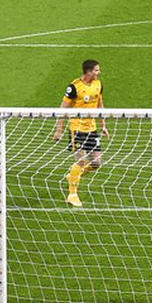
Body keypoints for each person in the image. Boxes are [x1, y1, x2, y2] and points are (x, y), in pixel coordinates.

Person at [52, 60, 108, 208]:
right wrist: (59, 129)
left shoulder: (98, 84)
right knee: (81, 161)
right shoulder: (74, 87)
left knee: (96, 163)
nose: (99, 72)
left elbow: (100, 105)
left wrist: (103, 125)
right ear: (88, 72)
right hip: (76, 129)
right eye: (96, 70)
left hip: (91, 129)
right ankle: (72, 195)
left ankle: (73, 175)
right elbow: (63, 108)